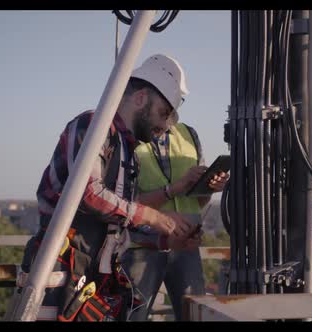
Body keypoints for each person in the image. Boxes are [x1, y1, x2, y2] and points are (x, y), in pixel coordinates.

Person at [16, 54, 199, 322]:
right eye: (163, 114)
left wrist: (166, 239)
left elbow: (119, 223)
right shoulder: (92, 126)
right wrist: (153, 216)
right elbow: (87, 194)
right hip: (59, 270)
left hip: (90, 279)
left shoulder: (128, 153)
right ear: (140, 99)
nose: (164, 127)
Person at [120, 110, 230, 321]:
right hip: (141, 248)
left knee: (195, 317)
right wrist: (174, 189)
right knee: (132, 316)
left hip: (186, 247)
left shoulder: (189, 134)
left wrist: (208, 187)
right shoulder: (130, 136)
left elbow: (198, 202)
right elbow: (122, 203)